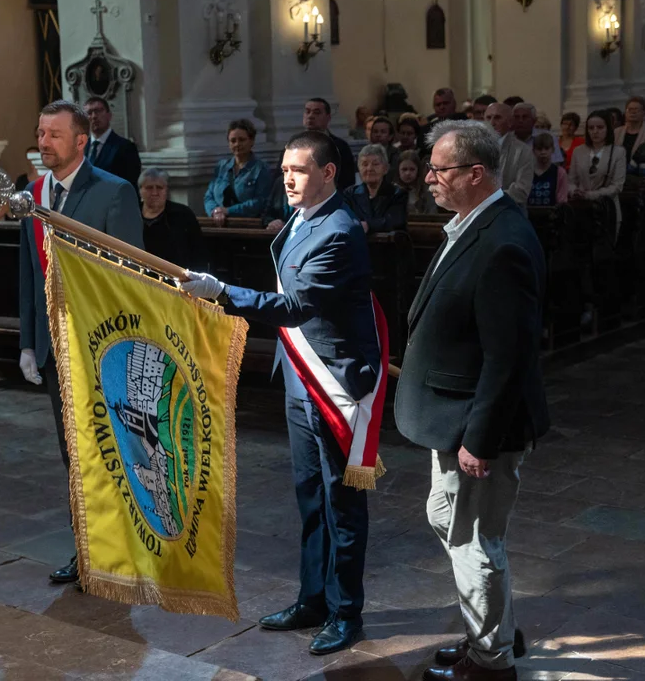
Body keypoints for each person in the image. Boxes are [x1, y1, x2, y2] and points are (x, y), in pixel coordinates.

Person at [180, 131, 381, 657]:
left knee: (341, 503)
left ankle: (346, 612)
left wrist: (222, 292)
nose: (287, 178)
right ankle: (313, 598)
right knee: (309, 496)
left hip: (333, 379)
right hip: (299, 374)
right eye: (285, 168)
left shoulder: (338, 230)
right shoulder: (304, 216)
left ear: (329, 172)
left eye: (298, 169)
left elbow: (295, 307)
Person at [395, 120, 548, 681]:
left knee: (475, 542)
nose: (429, 178)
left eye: (439, 169)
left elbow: (508, 357)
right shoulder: (470, 223)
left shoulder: (503, 241)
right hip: (452, 419)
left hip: (478, 428)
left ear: (475, 174)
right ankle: (496, 632)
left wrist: (480, 440)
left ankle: (490, 662)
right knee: (450, 521)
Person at [18, 100, 144, 585]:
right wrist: (29, 343)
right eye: (40, 132)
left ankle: (127, 548)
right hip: (53, 348)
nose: (43, 142)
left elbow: (130, 278)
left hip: (102, 348)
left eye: (53, 134)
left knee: (113, 449)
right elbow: (30, 272)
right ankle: (88, 550)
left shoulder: (115, 193)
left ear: (80, 142)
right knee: (74, 453)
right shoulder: (32, 193)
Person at [204, 118, 274, 224]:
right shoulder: (221, 167)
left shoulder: (261, 169)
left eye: (242, 140)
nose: (237, 144)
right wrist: (215, 212)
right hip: (218, 225)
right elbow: (209, 196)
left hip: (248, 226)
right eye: (233, 141)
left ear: (251, 141)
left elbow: (260, 202)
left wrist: (228, 211)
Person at [139, 167, 208, 270]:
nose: (154, 193)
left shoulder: (183, 215)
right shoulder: (132, 214)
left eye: (159, 187)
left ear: (167, 190)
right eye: (149, 188)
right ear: (140, 190)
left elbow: (198, 253)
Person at [83, 96, 142, 189]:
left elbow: (129, 184)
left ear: (109, 115)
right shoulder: (80, 147)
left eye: (98, 111)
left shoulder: (125, 147)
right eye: (89, 113)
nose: (94, 116)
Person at [346, 144, 407, 232]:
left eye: (375, 164)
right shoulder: (350, 194)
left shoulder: (398, 194)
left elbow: (394, 221)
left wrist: (368, 225)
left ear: (386, 169)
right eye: (365, 164)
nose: (369, 168)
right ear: (359, 169)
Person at [484, 103, 533, 210]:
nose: (492, 122)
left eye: (497, 118)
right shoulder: (473, 149)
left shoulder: (523, 151)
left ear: (510, 122)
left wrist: (487, 198)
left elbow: (521, 192)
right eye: (488, 117)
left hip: (510, 214)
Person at [303, 97, 357, 190]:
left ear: (328, 118)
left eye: (317, 112)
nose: (311, 116)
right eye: (308, 112)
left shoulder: (340, 147)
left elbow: (348, 181)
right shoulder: (293, 146)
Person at [528, 133, 568, 206]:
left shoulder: (559, 172)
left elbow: (562, 201)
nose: (543, 152)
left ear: (552, 150)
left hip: (552, 214)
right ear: (533, 151)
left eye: (546, 148)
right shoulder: (526, 171)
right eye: (539, 149)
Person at [397, 150, 440, 215]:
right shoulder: (392, 191)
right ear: (398, 170)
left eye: (412, 169)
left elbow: (432, 215)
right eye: (404, 169)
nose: (408, 173)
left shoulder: (427, 191)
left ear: (418, 170)